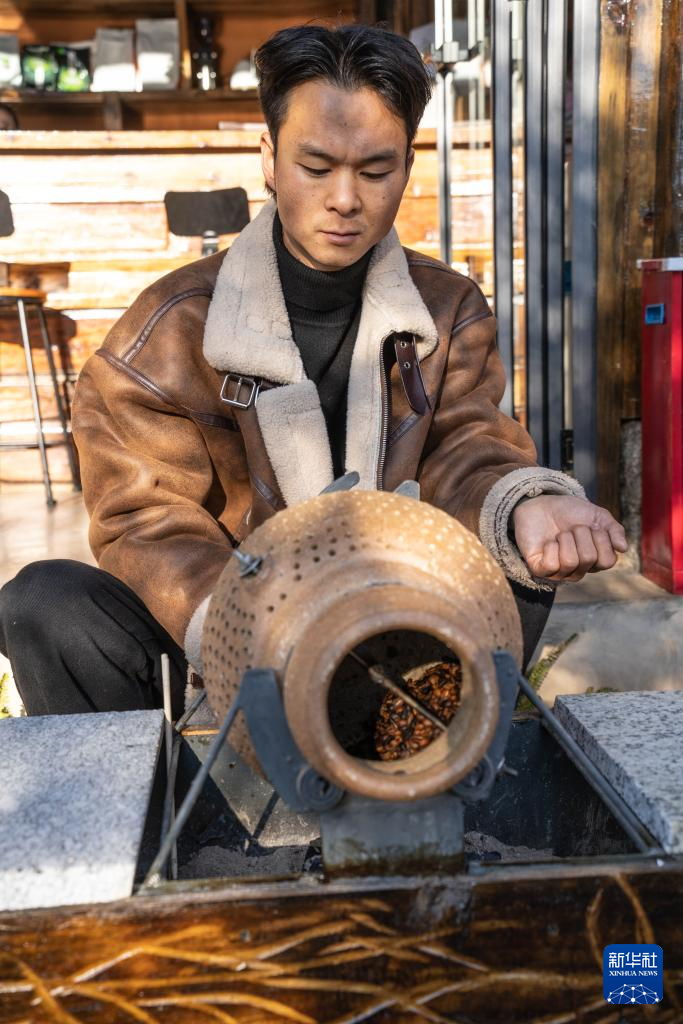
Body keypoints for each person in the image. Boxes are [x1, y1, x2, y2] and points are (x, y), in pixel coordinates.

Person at [0, 24, 627, 718]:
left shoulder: (447, 309)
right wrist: (254, 625)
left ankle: (423, 767)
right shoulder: (169, 329)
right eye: (317, 167)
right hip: (231, 640)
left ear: (407, 166)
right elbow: (145, 522)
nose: (345, 199)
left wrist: (525, 506)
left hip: (391, 625)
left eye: (375, 171)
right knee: (45, 602)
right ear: (269, 159)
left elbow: (468, 452)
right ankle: (167, 787)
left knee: (514, 553)